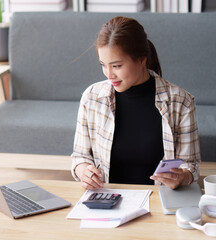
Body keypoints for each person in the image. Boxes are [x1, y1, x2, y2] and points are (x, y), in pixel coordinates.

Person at [71, 16, 201, 190]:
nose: (108, 74)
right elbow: (80, 156)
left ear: (141, 59)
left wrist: (182, 177)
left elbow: (190, 165)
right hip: (108, 196)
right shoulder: (92, 98)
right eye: (103, 64)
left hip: (159, 198)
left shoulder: (181, 102)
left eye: (116, 66)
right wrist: (83, 172)